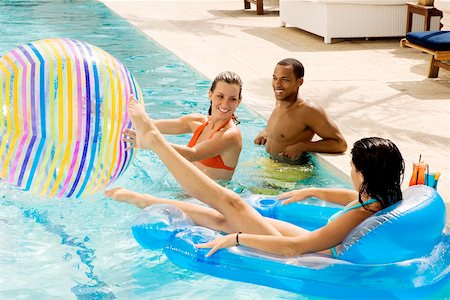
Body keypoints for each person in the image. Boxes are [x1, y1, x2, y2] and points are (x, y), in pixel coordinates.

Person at [106, 97, 405, 258]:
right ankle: (144, 199)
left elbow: (295, 249)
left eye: (353, 168)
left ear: (366, 173)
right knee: (223, 216)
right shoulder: (382, 197)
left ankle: (155, 141)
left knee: (229, 201)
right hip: (311, 240)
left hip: (308, 247)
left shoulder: (362, 211)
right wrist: (314, 190)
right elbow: (354, 198)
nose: (351, 173)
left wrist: (237, 239)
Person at [125, 71, 243, 181]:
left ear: (238, 101)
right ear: (210, 94)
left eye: (232, 99)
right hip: (184, 193)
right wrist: (120, 115)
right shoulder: (197, 122)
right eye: (220, 96)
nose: (225, 104)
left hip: (206, 202)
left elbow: (192, 154)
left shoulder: (231, 135)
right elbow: (150, 124)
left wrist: (149, 143)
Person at [254, 58, 347, 163]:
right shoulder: (280, 101)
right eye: (275, 78)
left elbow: (340, 144)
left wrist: (302, 146)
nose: (277, 84)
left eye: (285, 79)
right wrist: (266, 132)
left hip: (290, 172)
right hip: (270, 164)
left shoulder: (308, 110)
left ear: (299, 82)